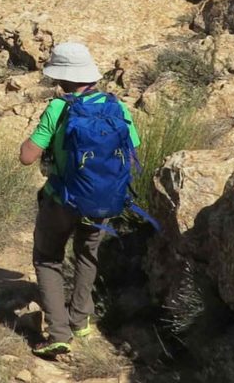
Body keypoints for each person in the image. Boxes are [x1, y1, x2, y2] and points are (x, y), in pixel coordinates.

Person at [18, 42, 142, 359]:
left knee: (48, 258)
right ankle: (81, 320)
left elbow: (26, 157)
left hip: (61, 199)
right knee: (87, 256)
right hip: (102, 200)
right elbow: (133, 152)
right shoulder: (118, 106)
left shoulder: (59, 108)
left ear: (61, 77)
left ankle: (58, 333)